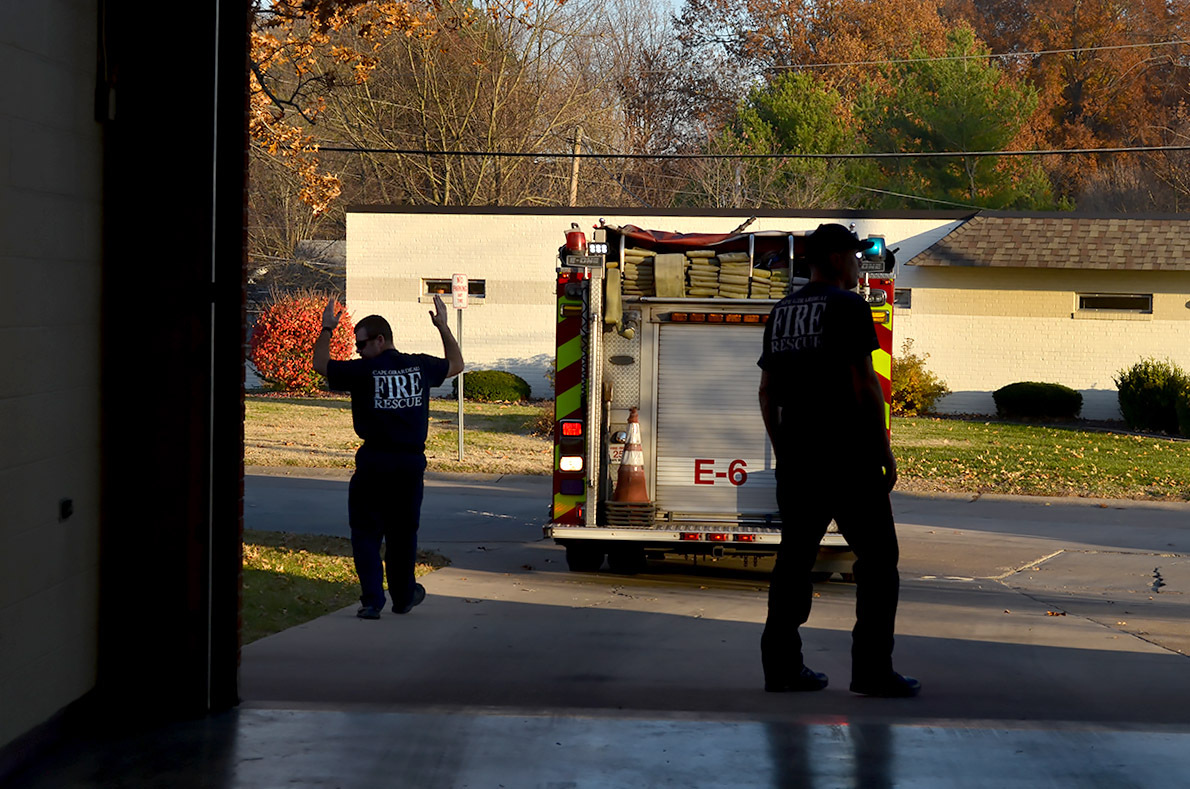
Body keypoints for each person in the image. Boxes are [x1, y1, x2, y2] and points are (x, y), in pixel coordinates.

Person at [757, 223, 920, 697]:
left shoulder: (782, 311)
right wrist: (882, 449)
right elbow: (864, 384)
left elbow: (768, 392)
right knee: (879, 561)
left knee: (793, 561)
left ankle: (781, 668)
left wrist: (783, 447)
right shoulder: (848, 306)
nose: (855, 264)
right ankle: (872, 670)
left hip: (799, 460)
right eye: (851, 255)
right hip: (847, 459)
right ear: (832, 258)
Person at [313, 295, 463, 619]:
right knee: (402, 534)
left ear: (380, 340)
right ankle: (403, 595)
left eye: (362, 344)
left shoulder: (364, 370)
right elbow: (456, 364)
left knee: (366, 533)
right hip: (409, 466)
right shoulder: (420, 366)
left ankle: (372, 601)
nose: (359, 351)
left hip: (374, 465)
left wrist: (327, 329)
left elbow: (321, 365)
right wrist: (443, 328)